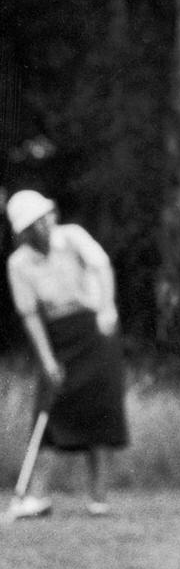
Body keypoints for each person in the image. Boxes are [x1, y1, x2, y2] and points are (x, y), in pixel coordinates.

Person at [5, 189, 129, 516]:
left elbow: (101, 266)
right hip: (57, 334)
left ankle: (98, 500)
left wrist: (106, 308)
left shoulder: (72, 237)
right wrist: (47, 360)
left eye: (46, 218)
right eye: (35, 224)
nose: (45, 226)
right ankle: (38, 497)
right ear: (24, 233)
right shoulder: (18, 264)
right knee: (49, 410)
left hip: (95, 329)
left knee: (100, 410)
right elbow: (30, 315)